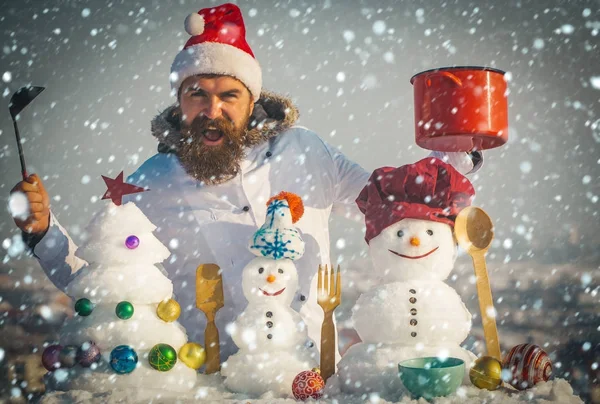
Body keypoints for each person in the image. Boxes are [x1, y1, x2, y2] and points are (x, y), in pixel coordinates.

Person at [10, 3, 482, 364]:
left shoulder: (306, 150)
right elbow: (101, 282)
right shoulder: (144, 185)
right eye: (198, 94)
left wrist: (456, 154)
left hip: (314, 373)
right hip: (211, 378)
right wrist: (43, 232)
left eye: (227, 95)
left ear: (251, 99)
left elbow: (388, 206)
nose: (212, 111)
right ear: (180, 101)